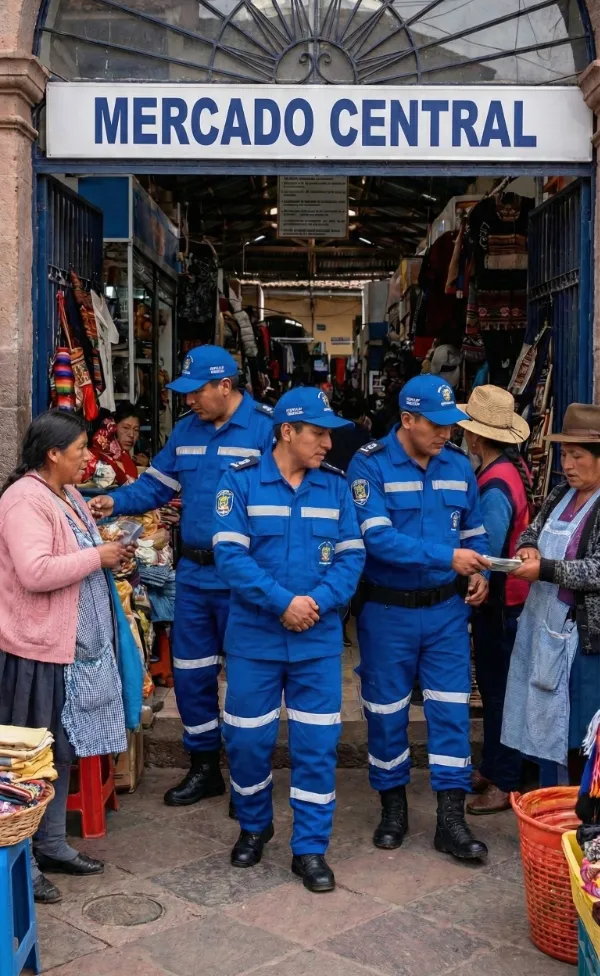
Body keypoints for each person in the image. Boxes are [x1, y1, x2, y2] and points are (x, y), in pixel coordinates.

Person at [90, 346, 274, 808]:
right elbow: (157, 484)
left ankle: (250, 779)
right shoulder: (187, 431)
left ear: (225, 386)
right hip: (193, 574)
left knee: (250, 677)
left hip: (245, 576)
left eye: (196, 392)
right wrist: (115, 501)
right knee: (192, 674)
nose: (188, 400)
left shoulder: (267, 429)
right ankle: (204, 767)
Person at [212, 388, 365, 892]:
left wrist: (314, 603)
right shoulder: (240, 484)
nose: (327, 443)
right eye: (318, 433)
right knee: (248, 741)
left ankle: (310, 849)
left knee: (317, 746)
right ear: (286, 432)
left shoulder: (336, 488)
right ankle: (255, 825)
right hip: (255, 641)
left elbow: (351, 558)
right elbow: (231, 558)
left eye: (328, 434)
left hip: (316, 644)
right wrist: (283, 602)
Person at [347, 374, 490, 861]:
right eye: (437, 424)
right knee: (386, 712)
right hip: (388, 612)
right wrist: (447, 558)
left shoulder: (459, 466)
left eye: (452, 424)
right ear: (407, 420)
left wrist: (480, 569)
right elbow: (378, 539)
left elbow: (474, 531)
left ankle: (451, 820)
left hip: (447, 613)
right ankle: (394, 809)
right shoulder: (368, 466)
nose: (446, 433)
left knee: (450, 711)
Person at [0, 412, 133, 904]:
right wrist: (97, 557)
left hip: (71, 650)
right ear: (53, 454)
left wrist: (108, 546)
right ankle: (24, 862)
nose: (87, 457)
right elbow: (35, 572)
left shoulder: (68, 495)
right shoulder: (23, 501)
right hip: (36, 648)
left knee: (59, 752)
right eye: (79, 449)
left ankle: (52, 845)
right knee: (29, 763)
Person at [503, 403, 600, 787]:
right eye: (564, 455)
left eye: (577, 456)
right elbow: (532, 529)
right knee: (543, 724)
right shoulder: (561, 492)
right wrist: (528, 548)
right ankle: (549, 805)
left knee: (577, 732)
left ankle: (580, 816)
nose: (568, 464)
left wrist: (543, 569)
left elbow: (596, 569)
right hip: (543, 629)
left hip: (581, 641)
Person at [457, 385, 532, 814]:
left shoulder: (495, 482)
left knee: (500, 691)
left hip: (503, 604)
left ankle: (504, 780)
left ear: (475, 435)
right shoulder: (509, 468)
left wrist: (479, 576)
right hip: (509, 602)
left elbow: (488, 543)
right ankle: (492, 766)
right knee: (495, 688)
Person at [84, 402, 145, 486]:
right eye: (126, 428)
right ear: (113, 426)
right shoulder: (94, 456)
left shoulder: (126, 459)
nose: (131, 435)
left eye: (136, 429)